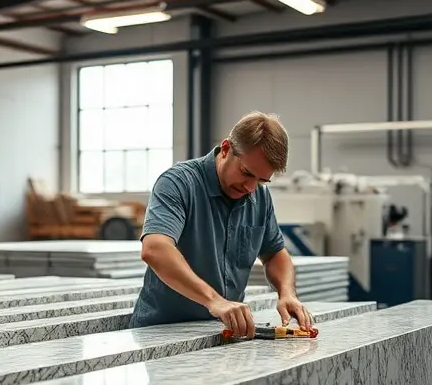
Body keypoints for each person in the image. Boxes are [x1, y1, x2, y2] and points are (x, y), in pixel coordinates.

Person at [130, 111, 313, 338]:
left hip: (222, 333)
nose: (250, 187)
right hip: (162, 332)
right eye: (246, 173)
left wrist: (287, 293)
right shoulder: (178, 183)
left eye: (262, 180)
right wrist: (214, 301)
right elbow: (155, 249)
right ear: (226, 149)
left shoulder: (260, 197)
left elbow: (275, 253)